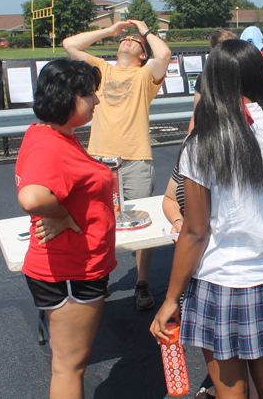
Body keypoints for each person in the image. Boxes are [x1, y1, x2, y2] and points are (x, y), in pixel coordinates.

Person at [151, 39, 263, 399]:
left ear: (213, 83)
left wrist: (171, 298)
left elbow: (194, 232)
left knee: (229, 388)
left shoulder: (201, 142)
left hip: (218, 281)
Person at [15, 59, 117, 399]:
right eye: (89, 95)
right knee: (69, 367)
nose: (96, 102)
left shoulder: (48, 133)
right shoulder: (50, 144)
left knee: (67, 364)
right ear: (66, 97)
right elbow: (31, 197)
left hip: (68, 267)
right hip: (72, 270)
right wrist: (60, 215)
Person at [63, 20, 172, 310]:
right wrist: (109, 31)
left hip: (135, 158)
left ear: (142, 54)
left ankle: (142, 282)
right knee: (98, 222)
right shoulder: (102, 69)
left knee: (141, 224)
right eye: (124, 38)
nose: (127, 40)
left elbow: (163, 55)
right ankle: (100, 277)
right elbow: (70, 45)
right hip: (98, 159)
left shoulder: (145, 75)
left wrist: (145, 29)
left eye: (134, 40)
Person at [188, 28, 238, 133]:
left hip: (214, 134)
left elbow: (196, 115)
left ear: (212, 48)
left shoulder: (206, 77)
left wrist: (189, 144)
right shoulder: (243, 74)